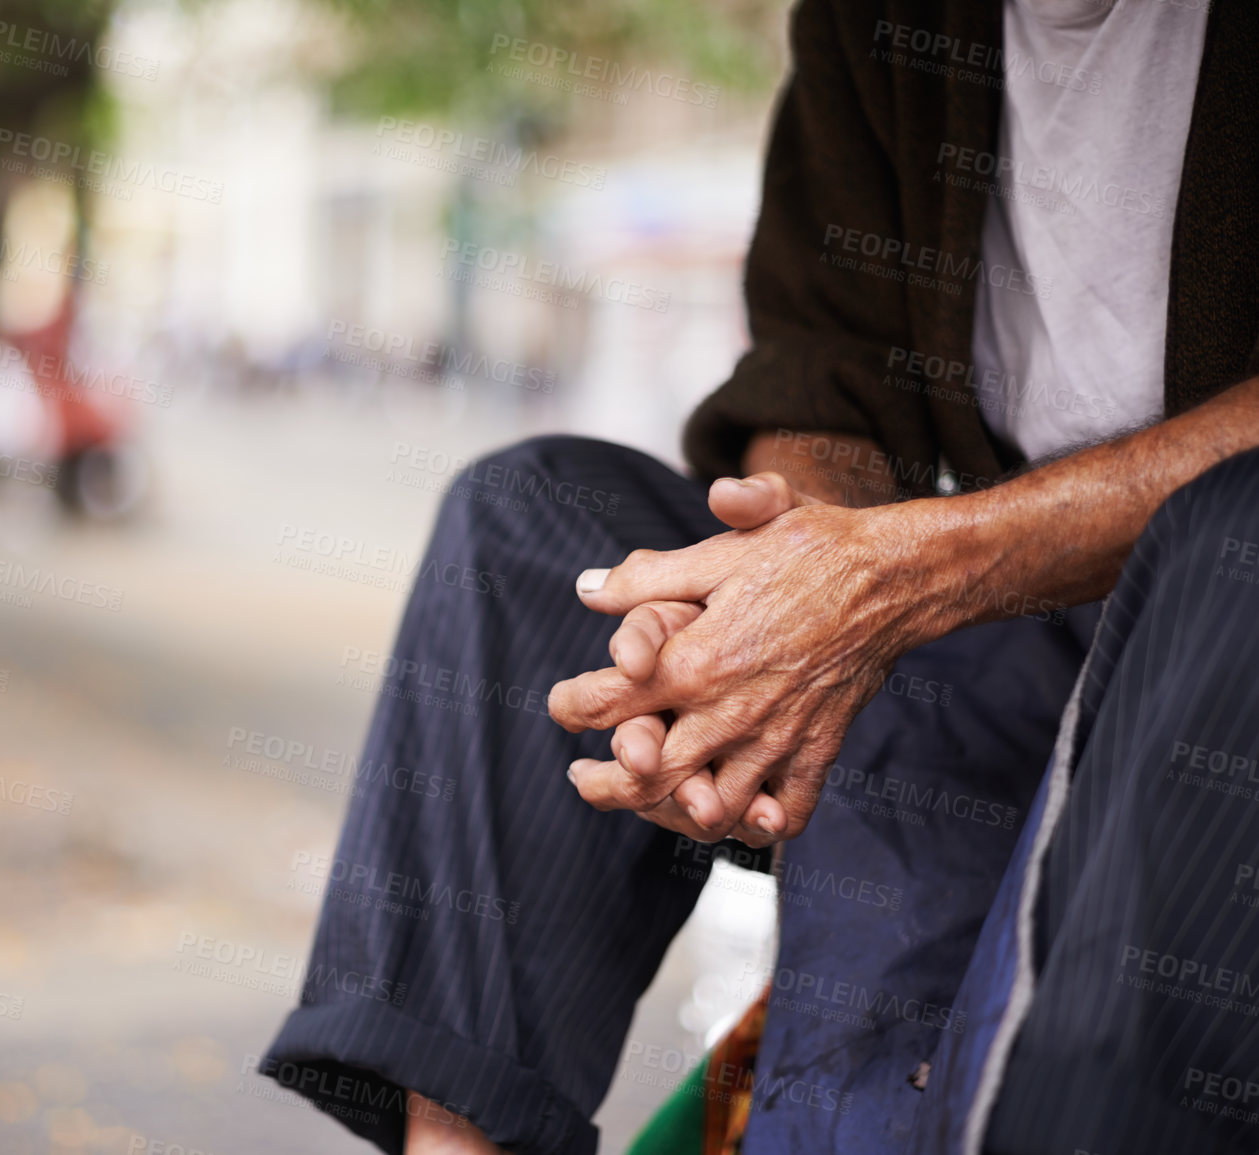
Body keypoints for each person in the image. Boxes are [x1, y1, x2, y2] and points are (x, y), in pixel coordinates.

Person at [264, 1, 1259, 1152]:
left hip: (1203, 629)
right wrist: (774, 589)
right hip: (985, 622)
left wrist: (894, 577)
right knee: (533, 522)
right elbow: (820, 369)